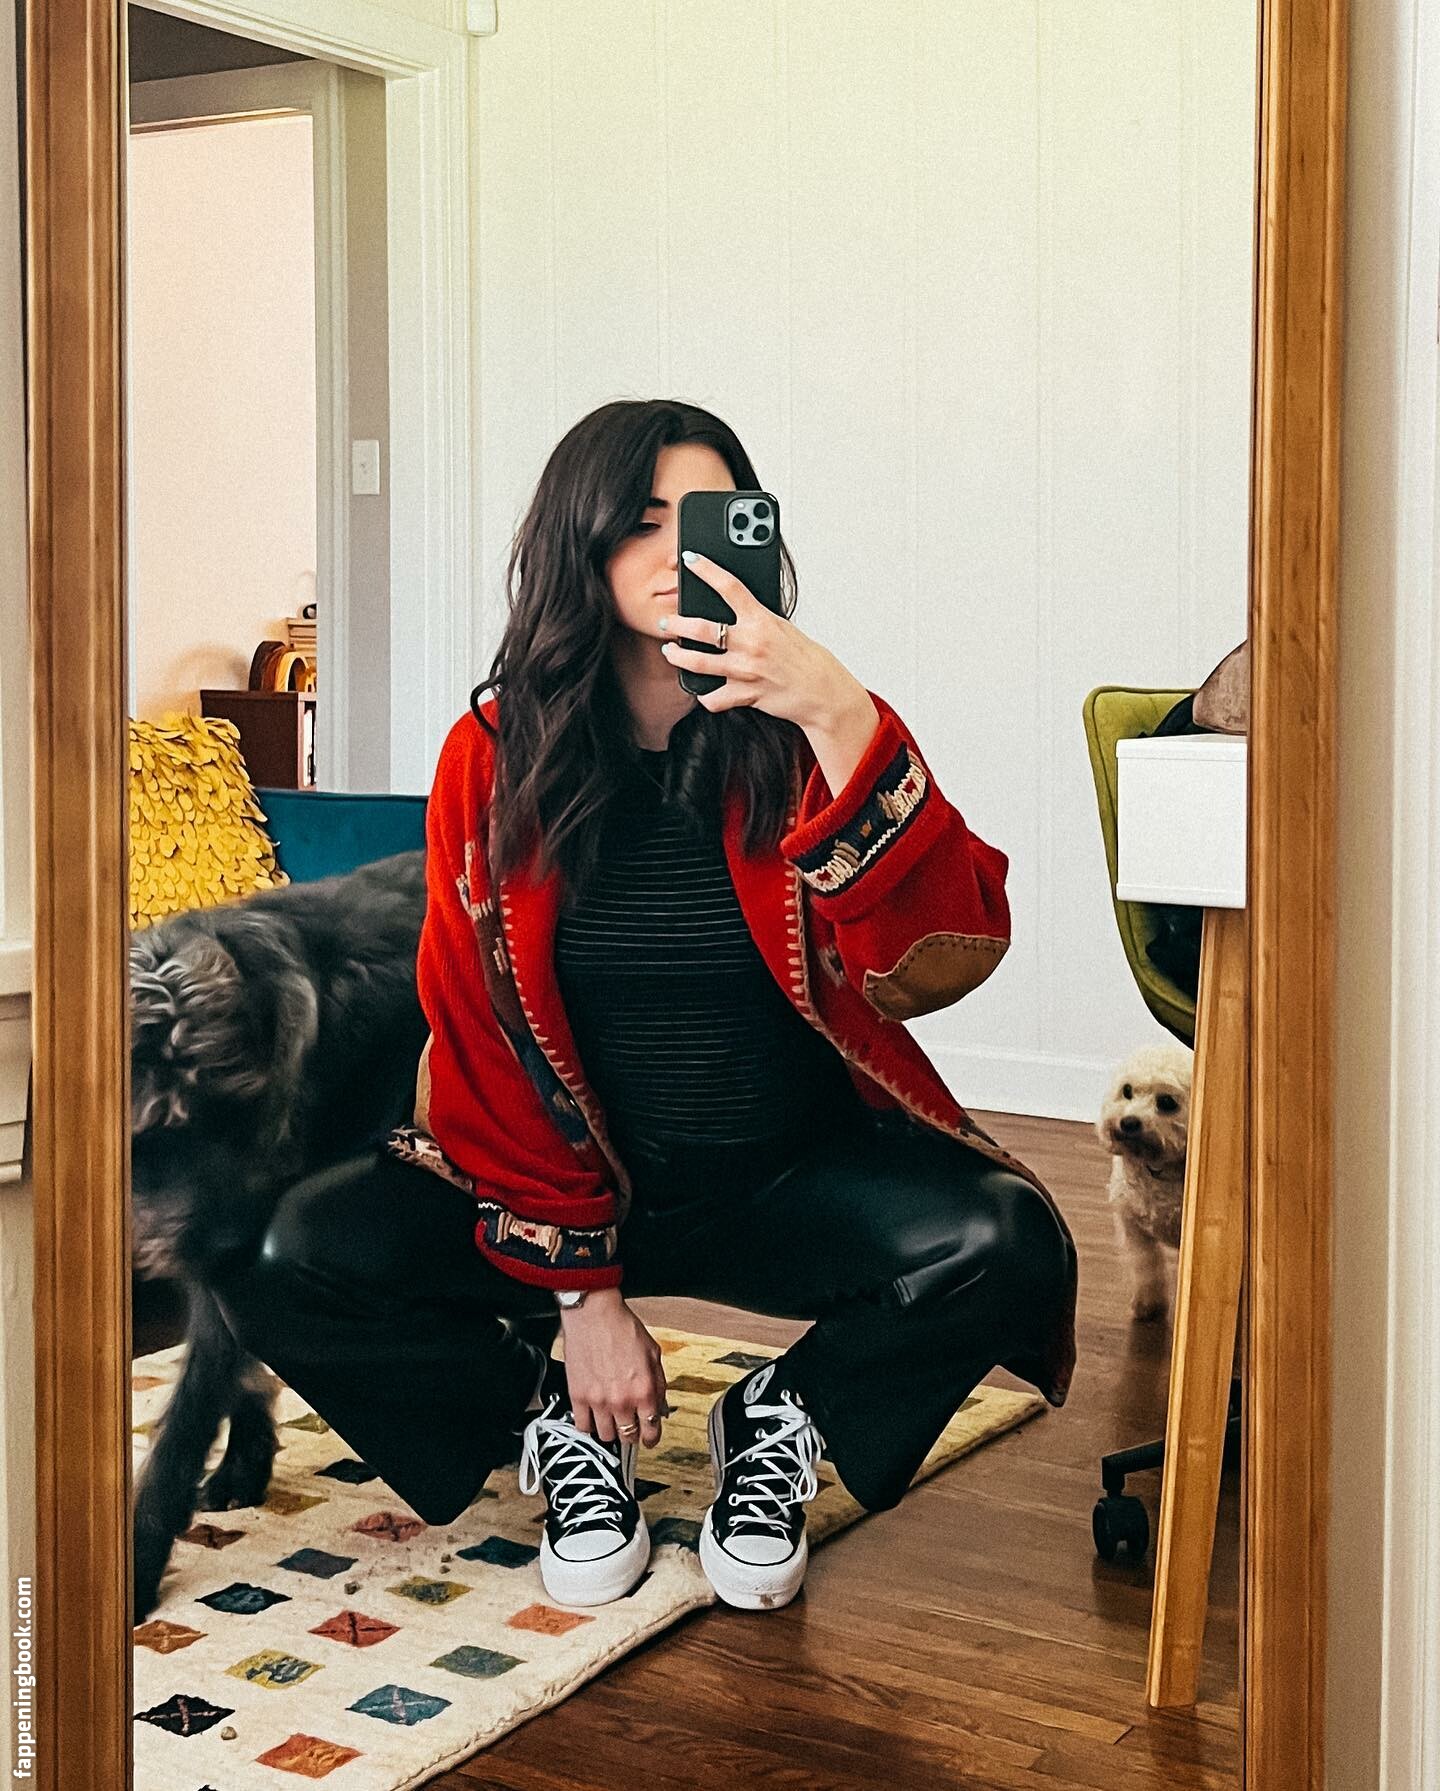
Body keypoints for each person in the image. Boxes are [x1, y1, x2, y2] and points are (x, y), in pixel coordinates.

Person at [216, 398, 1078, 1614]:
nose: (679, 551)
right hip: (554, 1195)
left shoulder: (808, 734)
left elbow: (945, 957)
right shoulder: (493, 757)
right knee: (269, 1250)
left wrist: (841, 714)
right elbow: (482, 1035)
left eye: (708, 517)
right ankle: (551, 1416)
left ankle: (780, 1420)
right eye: (643, 521)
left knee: (1011, 1240)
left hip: (779, 1181)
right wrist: (584, 1298)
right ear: (581, 542)